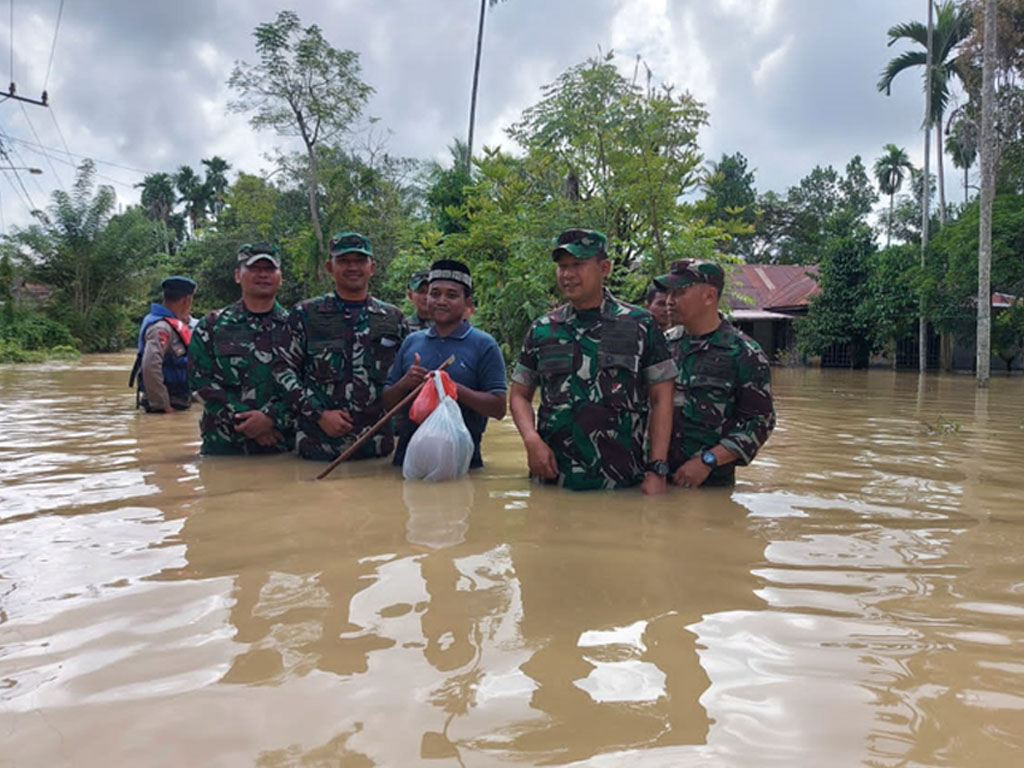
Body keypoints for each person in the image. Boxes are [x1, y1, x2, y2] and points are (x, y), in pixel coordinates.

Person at [508, 228, 676, 493]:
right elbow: (519, 394)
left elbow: (662, 397)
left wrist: (657, 468)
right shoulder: (543, 329)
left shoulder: (640, 323)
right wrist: (531, 440)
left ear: (605, 267)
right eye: (562, 266)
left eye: (578, 264)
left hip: (623, 481)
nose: (567, 274)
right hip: (553, 481)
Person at [276, 231, 408, 461]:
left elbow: (405, 378)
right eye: (344, 261)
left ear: (372, 267)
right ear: (330, 267)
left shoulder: (393, 318)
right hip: (317, 448)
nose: (352, 267)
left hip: (378, 450)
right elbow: (282, 371)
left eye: (360, 261)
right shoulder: (305, 314)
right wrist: (319, 415)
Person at [654, 258, 776, 488]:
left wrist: (707, 461)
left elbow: (760, 422)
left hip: (709, 486)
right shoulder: (663, 346)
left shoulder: (743, 353)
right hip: (657, 480)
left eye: (679, 292)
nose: (669, 301)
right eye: (668, 293)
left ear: (710, 296)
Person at [383, 259, 507, 469]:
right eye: (434, 293)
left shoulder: (484, 345)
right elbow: (387, 403)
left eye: (451, 295)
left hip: (463, 464)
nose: (441, 300)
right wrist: (405, 383)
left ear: (468, 302)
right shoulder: (412, 341)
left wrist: (453, 388)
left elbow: (498, 408)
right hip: (408, 462)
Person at [188, 243, 295, 455]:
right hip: (223, 446)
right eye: (254, 268)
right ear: (238, 275)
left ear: (280, 277)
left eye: (270, 269)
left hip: (282, 446)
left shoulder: (297, 326)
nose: (263, 274)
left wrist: (271, 418)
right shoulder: (211, 325)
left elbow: (308, 382)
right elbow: (198, 381)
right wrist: (247, 422)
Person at [130, 275, 196, 413]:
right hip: (167, 406)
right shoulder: (161, 328)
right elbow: (150, 366)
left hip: (177, 401)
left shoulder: (170, 324)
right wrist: (162, 404)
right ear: (187, 300)